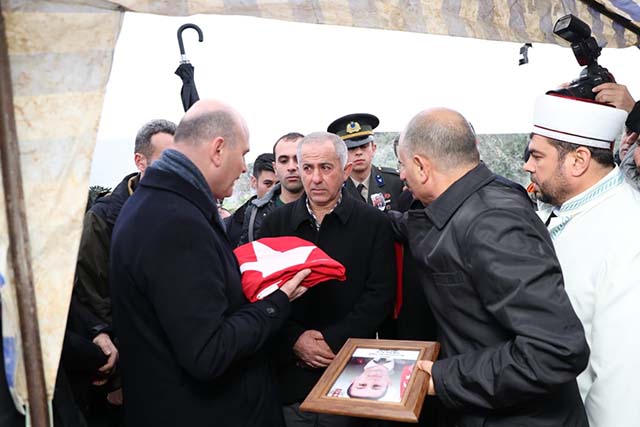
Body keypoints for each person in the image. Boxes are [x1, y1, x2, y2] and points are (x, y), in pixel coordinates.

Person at [109, 99, 310, 427]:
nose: (244, 167)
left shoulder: (157, 203)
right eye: (243, 154)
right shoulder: (175, 223)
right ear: (218, 150)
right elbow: (209, 352)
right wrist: (275, 303)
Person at [392, 108, 589, 426]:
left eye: (402, 164)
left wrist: (445, 378)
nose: (401, 175)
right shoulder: (473, 198)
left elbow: (556, 350)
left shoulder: (492, 223)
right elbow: (417, 226)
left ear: (421, 167)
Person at [258, 132, 396, 427]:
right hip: (290, 379)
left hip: (352, 376)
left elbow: (380, 295)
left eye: (326, 168)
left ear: (345, 171)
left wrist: (333, 341)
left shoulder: (373, 224)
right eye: (308, 168)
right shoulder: (275, 225)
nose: (316, 178)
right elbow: (263, 294)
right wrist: (296, 340)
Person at [523, 92, 640, 427]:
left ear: (578, 161)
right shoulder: (569, 211)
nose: (527, 166)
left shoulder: (629, 231)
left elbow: (623, 378)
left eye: (537, 155)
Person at [74, 119, 175, 325]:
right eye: (167, 160)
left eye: (180, 160)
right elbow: (90, 289)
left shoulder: (185, 211)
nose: (176, 168)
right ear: (140, 161)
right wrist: (112, 331)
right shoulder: (102, 218)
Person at [327, 114, 403, 211]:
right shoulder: (335, 187)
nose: (358, 152)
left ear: (373, 148)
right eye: (351, 148)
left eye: (364, 146)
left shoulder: (395, 181)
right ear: (342, 153)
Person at [239, 132, 304, 244]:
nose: (291, 167)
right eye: (284, 161)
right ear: (275, 168)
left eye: (298, 159)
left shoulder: (325, 206)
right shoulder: (255, 213)